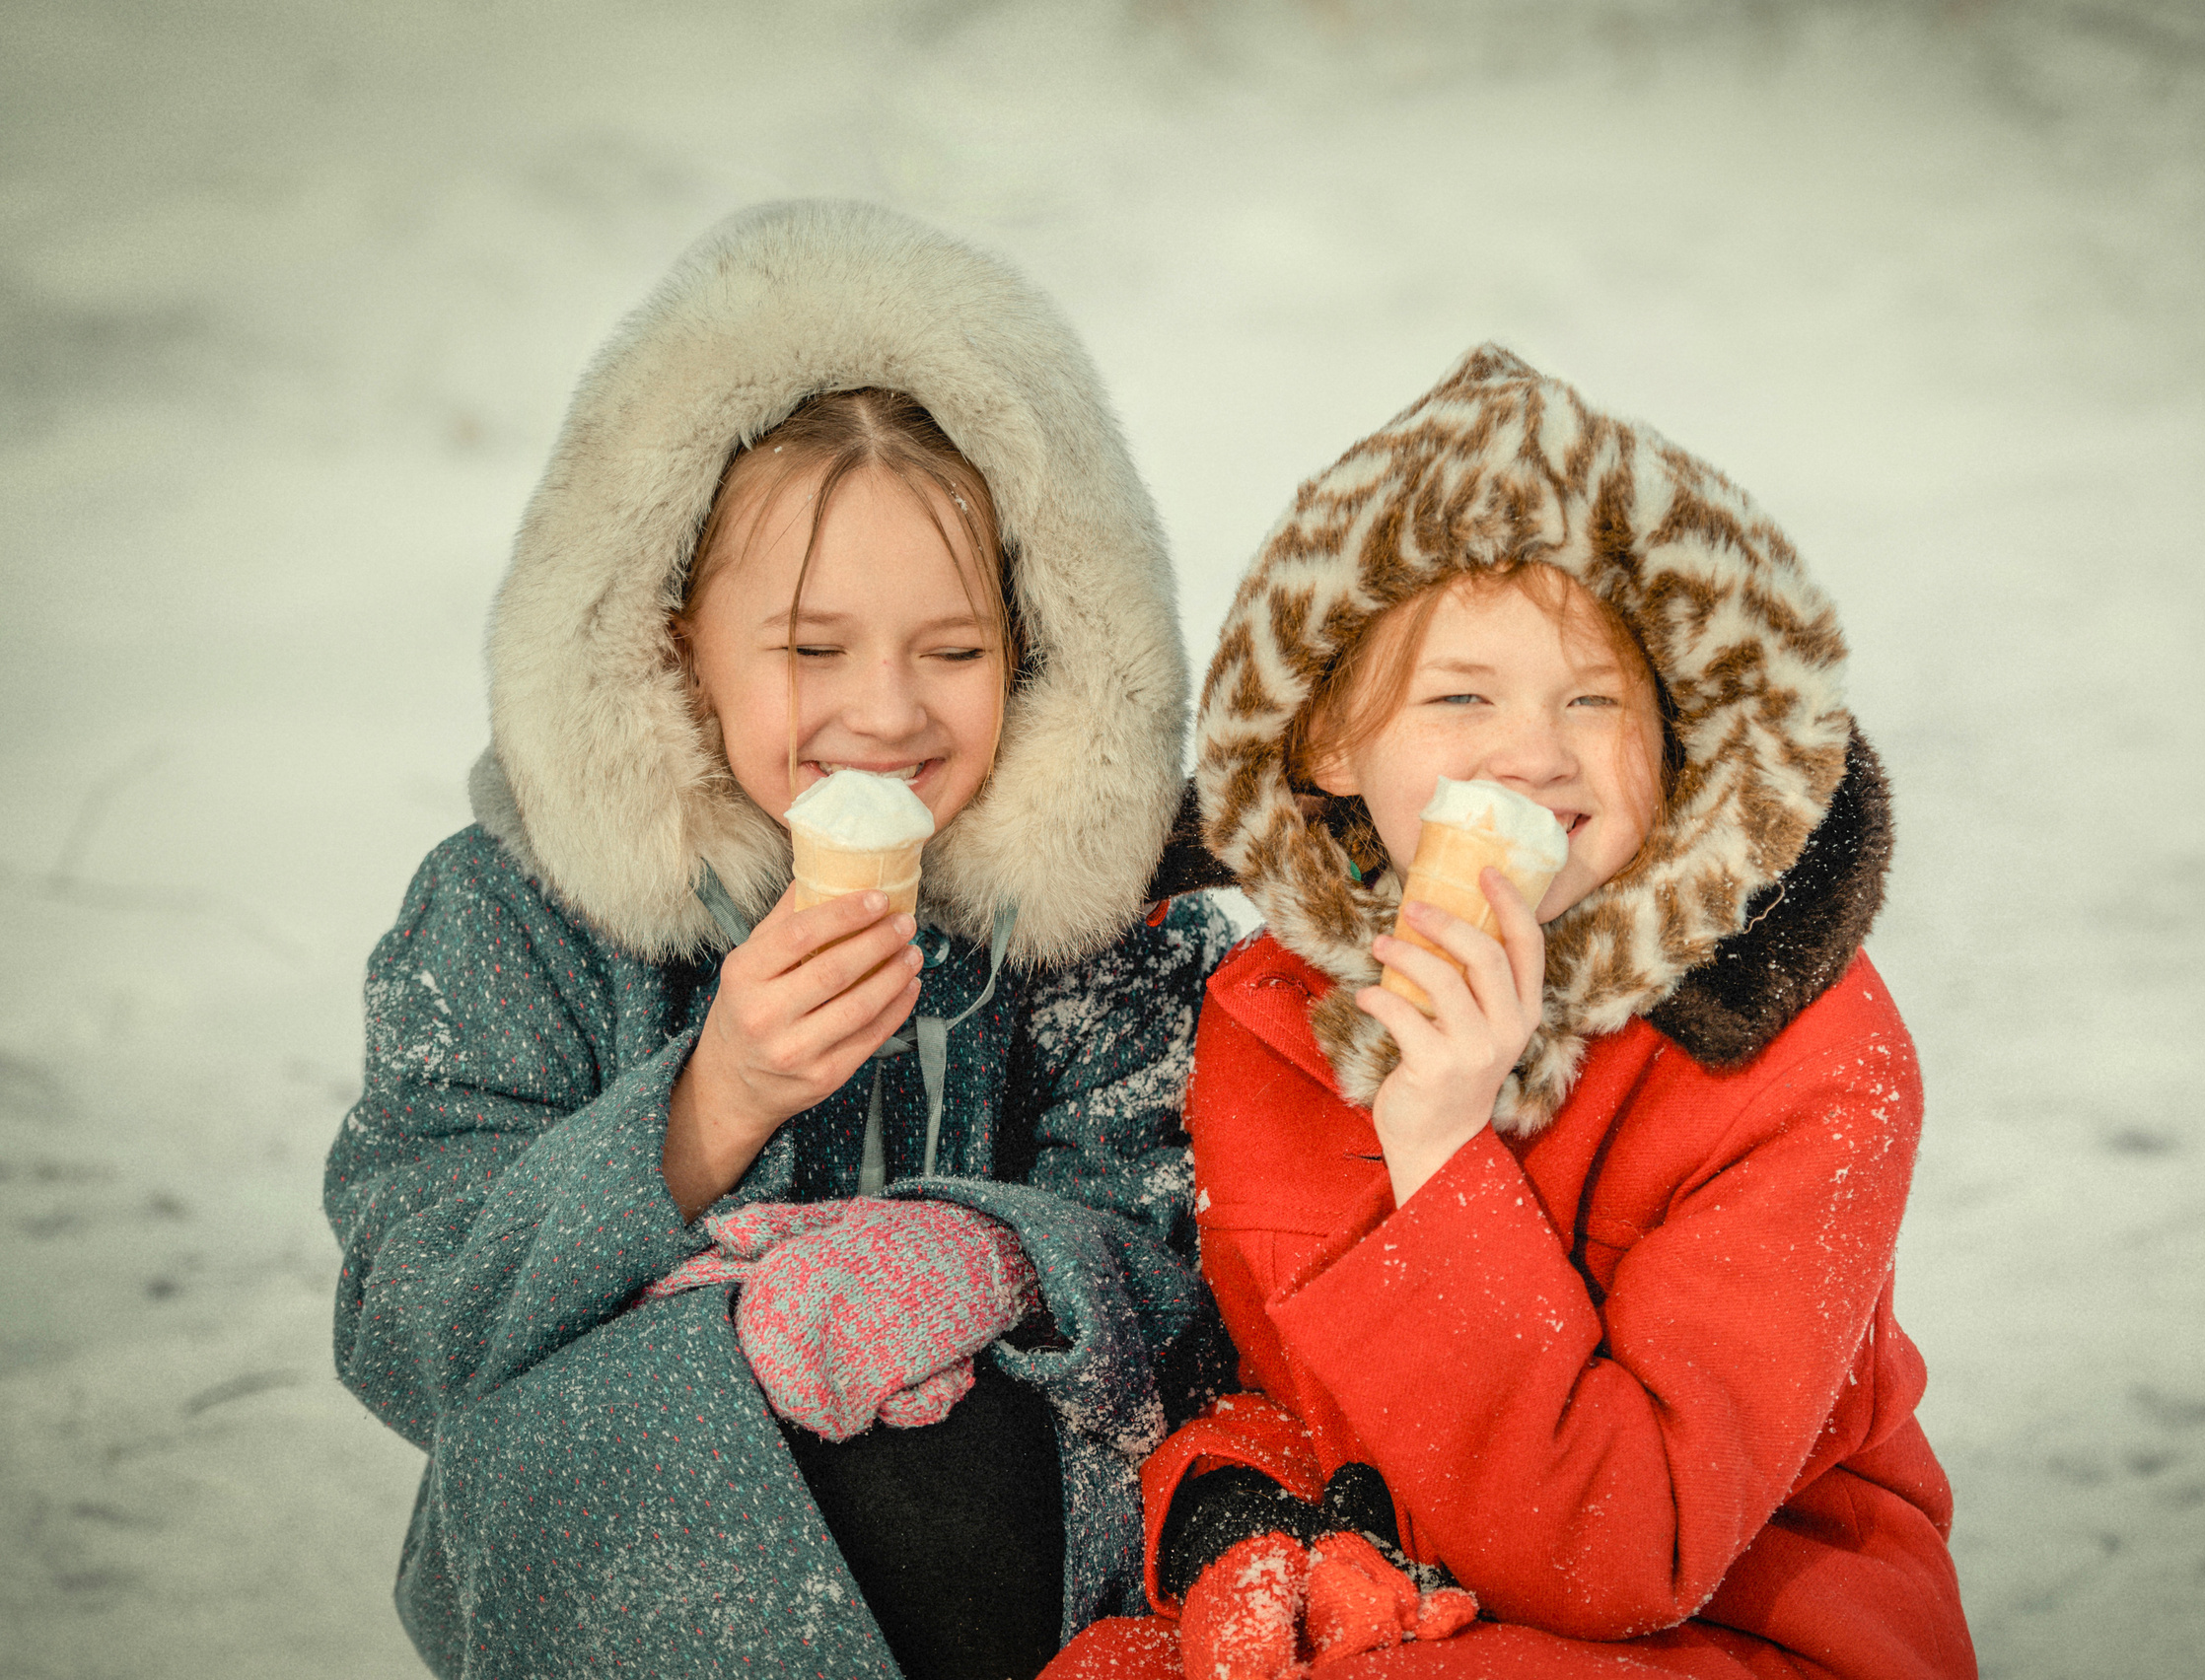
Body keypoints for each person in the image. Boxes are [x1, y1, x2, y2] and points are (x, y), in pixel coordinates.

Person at [324, 200, 1235, 1680]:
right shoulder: (512, 912)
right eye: (813, 649)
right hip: (622, 1587)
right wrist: (705, 1112)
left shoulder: (1108, 933)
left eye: (954, 651)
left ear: (1037, 647)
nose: (886, 710)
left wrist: (997, 1255)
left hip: (1002, 1588)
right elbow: (408, 1327)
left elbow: (1202, 1285)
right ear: (671, 639)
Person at [1048, 346, 1977, 1679]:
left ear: (1683, 737)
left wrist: (1439, 1146)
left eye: (1595, 700)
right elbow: (1279, 1390)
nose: (1536, 752)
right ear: (1328, 744)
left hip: (1741, 1631)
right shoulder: (1272, 1021)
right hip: (1414, 1608)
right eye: (1461, 697)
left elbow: (1625, 1556)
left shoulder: (1799, 1055)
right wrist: (1233, 1501)